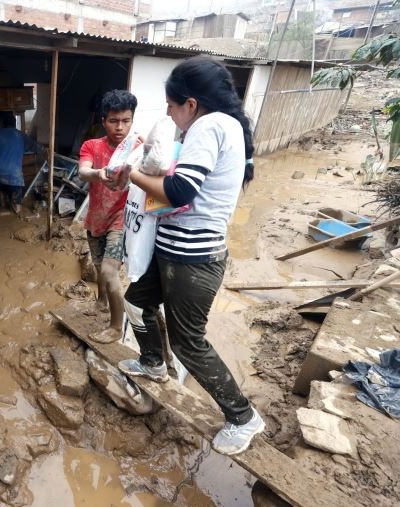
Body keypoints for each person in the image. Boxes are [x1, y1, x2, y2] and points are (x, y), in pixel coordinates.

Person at [118, 56, 265, 456]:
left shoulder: (210, 125)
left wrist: (132, 172)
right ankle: (151, 363)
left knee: (188, 343)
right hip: (174, 250)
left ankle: (243, 417)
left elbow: (181, 191)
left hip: (193, 260)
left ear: (191, 104)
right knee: (135, 303)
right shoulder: (221, 126)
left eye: (170, 105)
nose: (168, 113)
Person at [78, 90, 142, 344]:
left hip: (121, 218)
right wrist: (98, 174)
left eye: (126, 121)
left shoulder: (138, 149)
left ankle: (116, 327)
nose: (120, 127)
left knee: (109, 270)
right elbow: (83, 171)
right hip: (96, 218)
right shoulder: (92, 146)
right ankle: (101, 301)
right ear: (104, 120)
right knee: (97, 268)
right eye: (114, 121)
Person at [0, 114, 43, 214]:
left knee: (1, 186)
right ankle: (15, 205)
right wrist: (44, 150)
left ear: (2, 124)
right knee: (16, 192)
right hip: (14, 173)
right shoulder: (20, 135)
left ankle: (2, 200)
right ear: (14, 124)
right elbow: (35, 147)